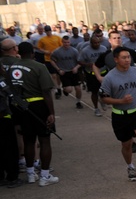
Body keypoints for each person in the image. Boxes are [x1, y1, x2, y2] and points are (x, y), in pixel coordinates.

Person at [3, 40, 58, 186]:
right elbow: (46, 91)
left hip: (19, 106)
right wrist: (51, 112)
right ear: (33, 53)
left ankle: (30, 173)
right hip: (38, 105)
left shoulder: (11, 68)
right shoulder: (39, 66)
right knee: (44, 140)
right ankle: (45, 175)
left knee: (28, 140)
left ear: (19, 52)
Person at [100, 46, 136, 181]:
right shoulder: (109, 78)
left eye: (128, 57)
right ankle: (130, 166)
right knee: (126, 144)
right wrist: (120, 101)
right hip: (120, 114)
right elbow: (103, 97)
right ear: (116, 59)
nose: (127, 60)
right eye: (124, 58)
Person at [50, 35, 84, 109]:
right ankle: (65, 89)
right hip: (64, 72)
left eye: (68, 42)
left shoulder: (74, 51)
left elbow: (80, 62)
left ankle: (78, 102)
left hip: (73, 71)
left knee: (78, 88)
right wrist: (58, 69)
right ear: (62, 42)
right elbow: (52, 60)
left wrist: (76, 68)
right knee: (69, 90)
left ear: (70, 42)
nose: (66, 44)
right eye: (65, 42)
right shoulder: (57, 51)